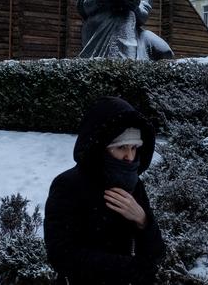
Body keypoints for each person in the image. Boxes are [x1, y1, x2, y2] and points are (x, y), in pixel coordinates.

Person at [44, 96, 165, 284]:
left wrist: (143, 221)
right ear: (102, 147)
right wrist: (130, 268)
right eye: (121, 147)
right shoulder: (68, 185)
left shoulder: (134, 184)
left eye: (134, 148)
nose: (129, 156)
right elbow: (61, 255)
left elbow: (156, 253)